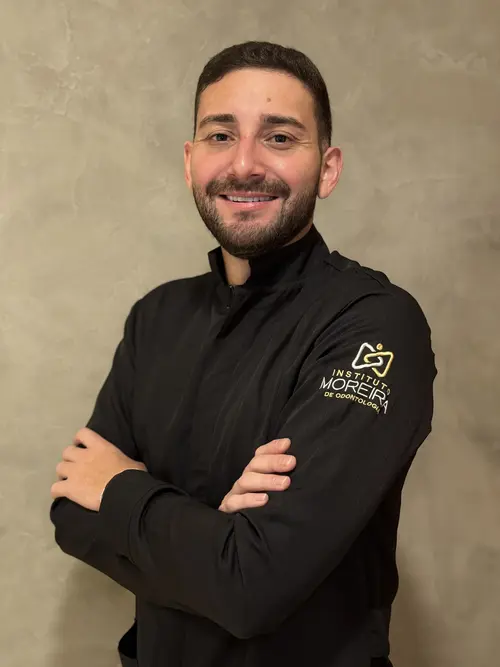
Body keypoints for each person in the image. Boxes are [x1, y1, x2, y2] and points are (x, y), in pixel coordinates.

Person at [50, 41, 436, 667]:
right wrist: (215, 534)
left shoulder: (374, 325)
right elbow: (71, 513)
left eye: (279, 138)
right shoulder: (157, 317)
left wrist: (121, 488)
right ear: (190, 161)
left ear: (328, 169)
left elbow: (253, 587)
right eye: (220, 135)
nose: (245, 164)